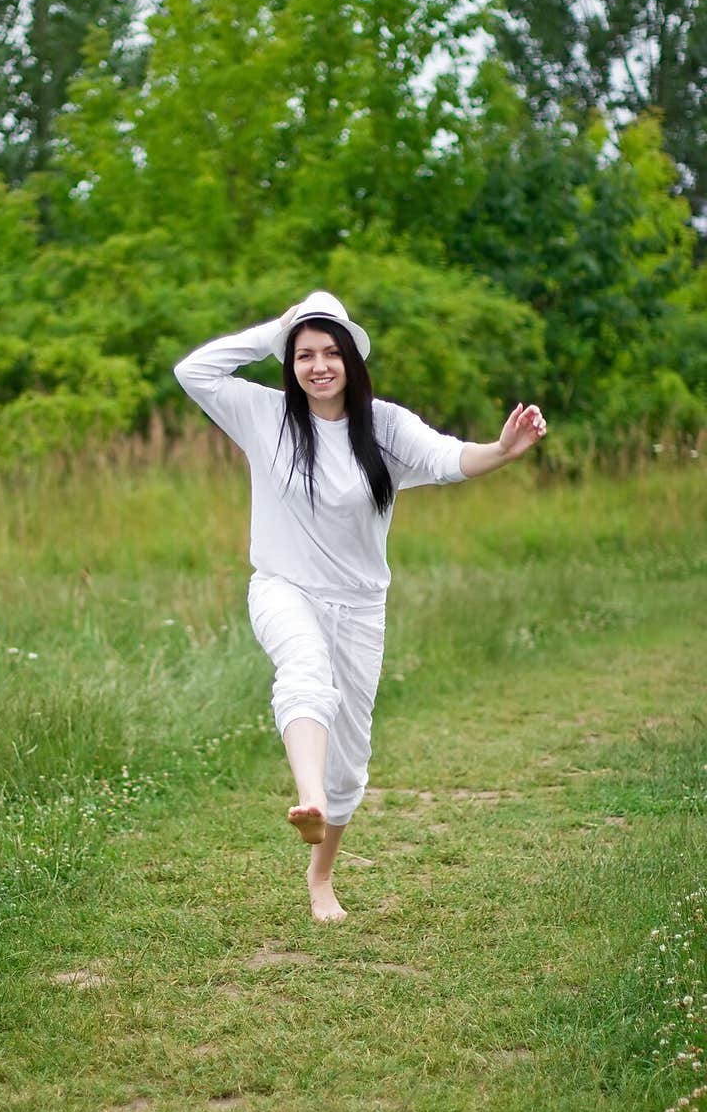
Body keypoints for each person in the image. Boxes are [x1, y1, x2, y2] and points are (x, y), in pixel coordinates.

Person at [174, 291, 546, 923]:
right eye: (304, 355)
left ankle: (322, 872)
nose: (318, 366)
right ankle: (307, 797)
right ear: (288, 362)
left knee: (351, 760)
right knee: (303, 671)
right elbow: (194, 371)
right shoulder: (262, 415)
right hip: (282, 587)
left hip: (359, 608)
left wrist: (503, 451)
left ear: (351, 357)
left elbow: (449, 458)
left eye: (330, 352)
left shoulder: (386, 427)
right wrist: (278, 330)